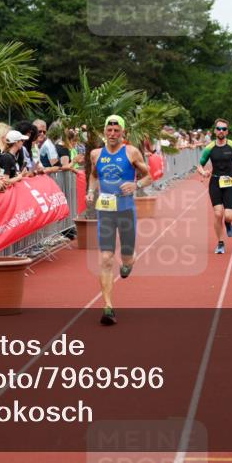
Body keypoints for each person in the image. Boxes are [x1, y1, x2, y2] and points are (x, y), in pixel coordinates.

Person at [87, 114, 152, 326]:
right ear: (104, 131)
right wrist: (90, 191)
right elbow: (94, 175)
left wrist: (137, 185)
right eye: (109, 130)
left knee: (126, 257)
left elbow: (149, 175)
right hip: (105, 212)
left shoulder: (131, 152)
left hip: (125, 211)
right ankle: (108, 307)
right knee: (105, 258)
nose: (112, 134)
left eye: (117, 130)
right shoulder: (96, 154)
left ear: (123, 132)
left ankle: (128, 263)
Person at [196, 118, 232, 255]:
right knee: (218, 214)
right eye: (219, 128)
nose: (221, 131)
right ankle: (220, 243)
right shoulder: (209, 148)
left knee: (228, 216)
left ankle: (228, 223)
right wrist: (203, 172)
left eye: (224, 129)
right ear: (215, 131)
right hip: (215, 183)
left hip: (229, 183)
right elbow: (199, 165)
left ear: (227, 131)